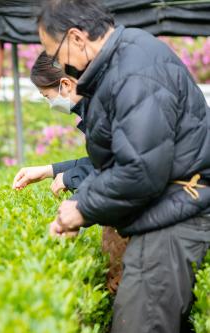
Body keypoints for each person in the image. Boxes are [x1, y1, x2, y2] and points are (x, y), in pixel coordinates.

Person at [38, 1, 210, 332]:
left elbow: (141, 169)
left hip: (175, 220)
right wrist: (80, 203)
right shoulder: (126, 60)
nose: (58, 64)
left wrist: (82, 207)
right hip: (170, 211)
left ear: (76, 38)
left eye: (54, 52)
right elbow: (121, 159)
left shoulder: (134, 71)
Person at [12, 51, 93, 196]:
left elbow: (122, 167)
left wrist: (70, 177)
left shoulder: (99, 112)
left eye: (47, 96)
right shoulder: (95, 106)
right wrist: (48, 171)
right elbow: (102, 161)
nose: (51, 104)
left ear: (66, 84)